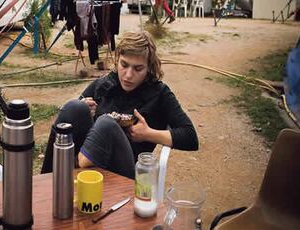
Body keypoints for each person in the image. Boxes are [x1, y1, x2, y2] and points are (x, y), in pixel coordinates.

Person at [41, 31, 198, 178]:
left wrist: (148, 134)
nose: (128, 75)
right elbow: (72, 117)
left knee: (106, 124)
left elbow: (190, 137)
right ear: (117, 59)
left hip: (122, 171)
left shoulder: (159, 94)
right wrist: (85, 108)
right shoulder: (106, 83)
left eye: (138, 69)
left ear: (149, 68)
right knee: (75, 107)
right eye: (124, 65)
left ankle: (74, 169)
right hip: (92, 158)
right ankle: (46, 181)